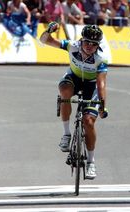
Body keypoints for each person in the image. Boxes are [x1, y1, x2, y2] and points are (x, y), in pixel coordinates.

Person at [40, 23, 108, 179]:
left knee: (89, 121)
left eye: (94, 44)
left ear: (98, 45)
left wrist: (103, 105)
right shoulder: (72, 46)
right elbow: (45, 40)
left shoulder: (101, 58)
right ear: (81, 40)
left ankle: (91, 162)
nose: (90, 46)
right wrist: (49, 31)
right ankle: (66, 134)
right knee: (65, 93)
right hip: (73, 78)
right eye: (87, 42)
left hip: (92, 85)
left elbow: (101, 83)